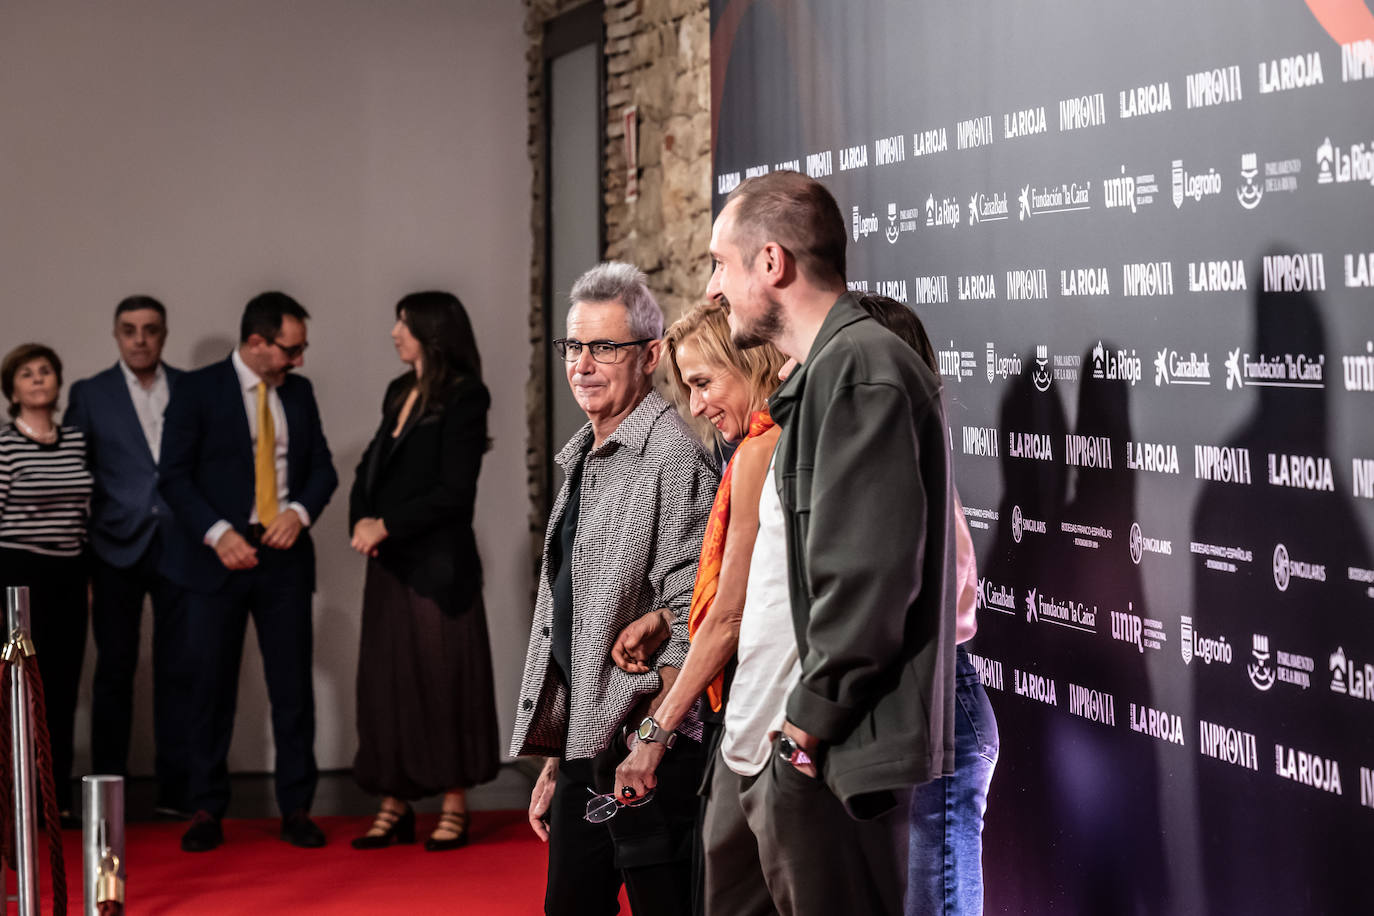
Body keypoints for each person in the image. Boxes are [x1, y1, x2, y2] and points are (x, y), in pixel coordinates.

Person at [698, 170, 959, 915]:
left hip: (822, 758)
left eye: (722, 263)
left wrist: (805, 731)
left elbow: (869, 578)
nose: (714, 289)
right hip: (763, 744)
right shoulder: (820, 375)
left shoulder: (861, 367)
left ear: (771, 264)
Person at [512, 261, 718, 915]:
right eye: (574, 346)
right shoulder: (587, 452)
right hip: (589, 749)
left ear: (651, 355)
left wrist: (652, 740)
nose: (583, 364)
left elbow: (696, 614)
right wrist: (556, 755)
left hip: (651, 754)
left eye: (605, 347)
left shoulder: (673, 453)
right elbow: (574, 622)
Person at [606, 302, 785, 914]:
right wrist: (665, 618)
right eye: (687, 388)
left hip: (767, 719)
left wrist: (655, 733)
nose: (698, 405)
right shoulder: (750, 446)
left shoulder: (764, 447)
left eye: (705, 383)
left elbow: (730, 616)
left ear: (750, 362)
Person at [159, 291, 338, 852]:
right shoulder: (195, 389)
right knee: (209, 687)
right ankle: (207, 808)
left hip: (284, 558)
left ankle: (298, 807)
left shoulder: (299, 392)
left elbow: (323, 470)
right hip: (216, 561)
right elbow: (173, 477)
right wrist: (219, 534)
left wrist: (299, 513)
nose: (300, 360)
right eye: (292, 348)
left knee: (292, 690)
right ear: (257, 343)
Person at [852, 294, 999, 916]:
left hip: (942, 706)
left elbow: (944, 611)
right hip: (925, 706)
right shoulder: (894, 465)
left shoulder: (915, 467)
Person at [347, 291, 501, 851]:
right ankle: (395, 801)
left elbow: (455, 492)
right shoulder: (399, 390)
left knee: (442, 682)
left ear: (431, 332)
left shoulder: (466, 396)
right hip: (391, 564)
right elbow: (372, 463)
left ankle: (454, 802)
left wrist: (385, 524)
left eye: (404, 323)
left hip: (438, 567)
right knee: (387, 685)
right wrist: (360, 518)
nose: (394, 331)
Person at [66, 295, 193, 818]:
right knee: (114, 670)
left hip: (183, 547)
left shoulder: (191, 388)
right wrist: (82, 557)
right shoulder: (89, 394)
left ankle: (179, 793)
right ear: (115, 335)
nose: (140, 339)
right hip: (113, 549)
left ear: (164, 335)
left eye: (150, 330)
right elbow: (77, 472)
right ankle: (106, 795)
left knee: (180, 669)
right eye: (129, 330)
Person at [0, 344, 94, 821]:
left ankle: (51, 802)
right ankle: (14, 800)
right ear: (12, 389)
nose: (37, 380)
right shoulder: (4, 444)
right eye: (26, 374)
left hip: (69, 576)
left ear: (58, 382)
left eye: (45, 372)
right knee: (20, 691)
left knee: (61, 688)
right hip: (18, 576)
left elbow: (84, 515)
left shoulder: (76, 439)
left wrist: (88, 578)